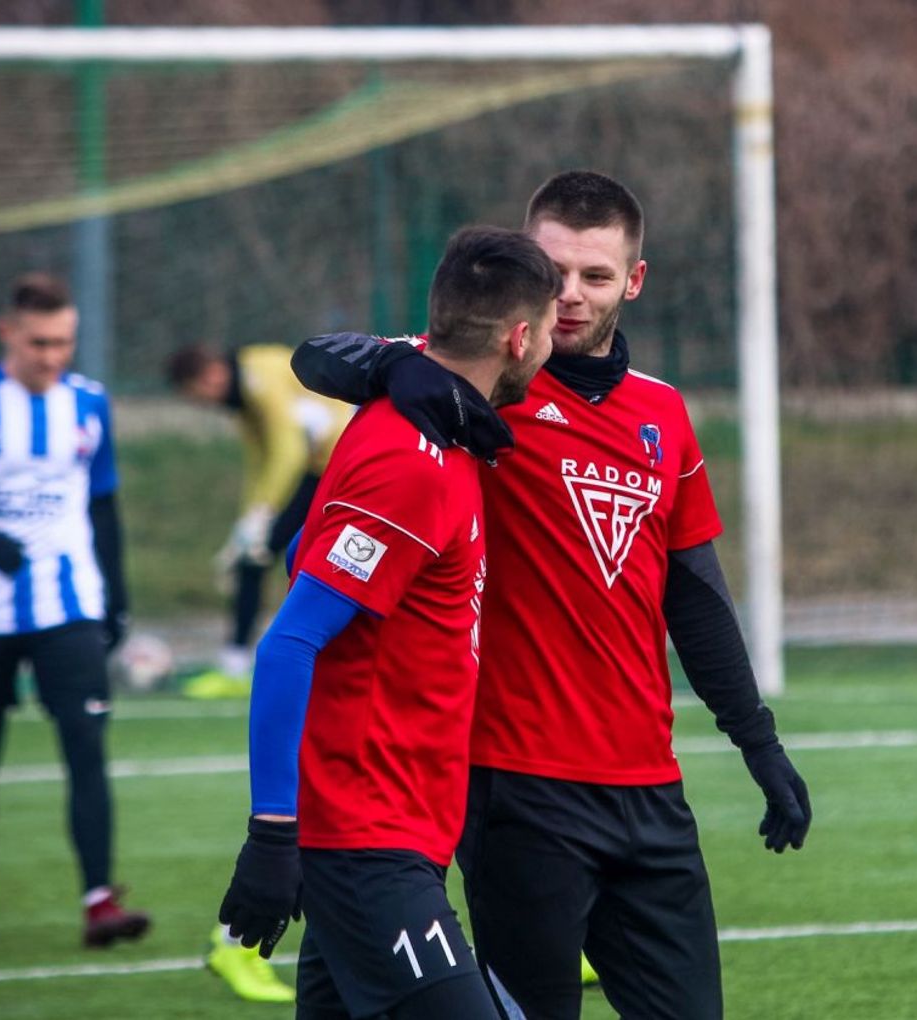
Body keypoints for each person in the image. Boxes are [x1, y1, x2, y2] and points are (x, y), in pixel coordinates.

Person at [289, 170, 812, 1019]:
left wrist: (759, 742)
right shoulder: (481, 380)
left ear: (633, 282)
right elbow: (317, 357)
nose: (570, 294)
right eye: (554, 270)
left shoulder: (663, 413)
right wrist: (397, 367)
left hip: (650, 790)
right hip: (517, 788)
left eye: (595, 275)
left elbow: (695, 597)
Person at [216, 226, 557, 1020]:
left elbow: (304, 549)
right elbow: (290, 641)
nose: (551, 347)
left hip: (398, 828)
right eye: (546, 329)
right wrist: (272, 832)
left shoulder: (422, 402)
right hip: (368, 836)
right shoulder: (412, 461)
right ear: (518, 338)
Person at [0, 272, 151, 947]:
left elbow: (103, 504)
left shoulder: (89, 403)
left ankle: (99, 902)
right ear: (8, 333)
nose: (52, 356)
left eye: (63, 343)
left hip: (69, 601)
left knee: (86, 745)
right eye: (39, 343)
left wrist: (116, 597)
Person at [165, 343, 350, 701]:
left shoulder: (257, 377)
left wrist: (262, 513)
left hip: (335, 467)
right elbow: (259, 463)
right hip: (322, 468)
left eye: (197, 395)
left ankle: (243, 663)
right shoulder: (244, 396)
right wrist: (245, 525)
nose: (203, 404)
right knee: (256, 558)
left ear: (210, 376)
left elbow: (289, 451)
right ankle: (239, 663)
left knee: (303, 563)